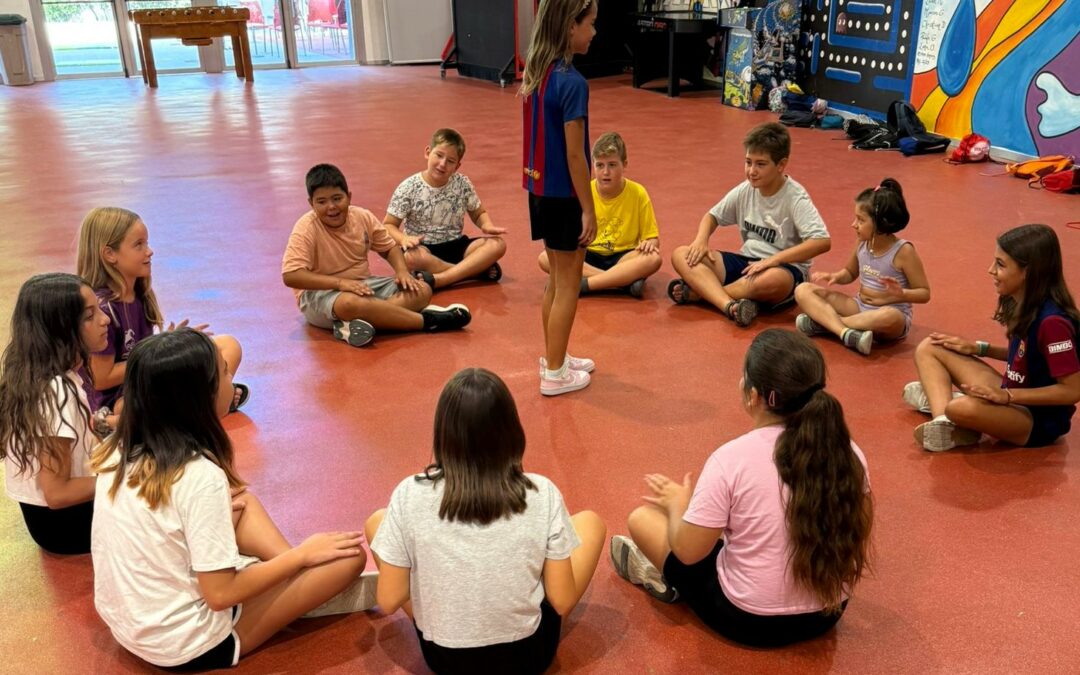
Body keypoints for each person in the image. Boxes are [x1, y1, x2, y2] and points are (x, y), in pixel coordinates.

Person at [91, 329, 373, 669]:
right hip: (187, 645)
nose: (232, 382)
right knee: (350, 558)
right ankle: (302, 580)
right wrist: (300, 555)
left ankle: (300, 579)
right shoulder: (199, 476)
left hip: (128, 624)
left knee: (242, 502)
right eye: (225, 373)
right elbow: (220, 594)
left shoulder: (117, 449)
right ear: (201, 397)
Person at [611, 329, 873, 647]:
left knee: (642, 519)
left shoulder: (731, 459)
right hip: (828, 613)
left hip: (749, 621)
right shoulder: (849, 453)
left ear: (753, 396)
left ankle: (668, 582)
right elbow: (858, 529)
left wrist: (678, 503)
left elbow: (689, 553)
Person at [366, 368, 605, 674]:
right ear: (511, 429)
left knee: (378, 523)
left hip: (444, 660)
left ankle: (446, 624)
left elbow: (389, 599)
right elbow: (562, 600)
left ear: (442, 433)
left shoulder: (408, 493)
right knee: (590, 523)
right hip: (528, 657)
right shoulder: (542, 492)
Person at [907, 224, 1080, 451]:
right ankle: (944, 422)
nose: (991, 270)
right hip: (1012, 393)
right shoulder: (1020, 301)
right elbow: (1028, 356)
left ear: (1027, 272)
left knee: (960, 408)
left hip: (1036, 420)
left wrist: (1007, 396)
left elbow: (1072, 390)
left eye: (1000, 264)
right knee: (931, 346)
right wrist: (979, 348)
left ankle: (947, 402)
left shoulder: (1053, 323)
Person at [76, 206, 248, 431]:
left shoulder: (139, 294)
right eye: (139, 245)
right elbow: (101, 378)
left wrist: (169, 343)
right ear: (110, 254)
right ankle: (208, 401)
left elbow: (143, 351)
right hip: (116, 399)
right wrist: (154, 355)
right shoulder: (103, 309)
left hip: (143, 379)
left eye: (146, 243)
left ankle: (204, 400)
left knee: (228, 345)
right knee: (130, 406)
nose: (149, 251)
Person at [282, 163, 472, 347]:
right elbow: (291, 275)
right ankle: (427, 321)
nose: (331, 206)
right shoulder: (306, 228)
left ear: (349, 197)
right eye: (321, 202)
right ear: (311, 203)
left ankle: (356, 324)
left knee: (421, 289)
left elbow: (389, 248)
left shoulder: (362, 216)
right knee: (350, 303)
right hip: (320, 294)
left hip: (363, 284)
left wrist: (402, 272)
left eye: (337, 198)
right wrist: (340, 283)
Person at [668, 122, 831, 327]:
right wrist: (701, 240)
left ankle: (701, 294)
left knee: (771, 280)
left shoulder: (795, 197)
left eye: (760, 164)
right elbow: (712, 216)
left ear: (781, 165)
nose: (751, 171)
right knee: (682, 254)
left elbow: (822, 241)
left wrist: (774, 260)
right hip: (748, 263)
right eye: (748, 162)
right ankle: (728, 304)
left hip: (783, 269)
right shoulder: (746, 189)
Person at [522, 0, 599, 395]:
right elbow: (575, 155)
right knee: (568, 283)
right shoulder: (573, 82)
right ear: (571, 26)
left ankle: (556, 356)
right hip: (564, 196)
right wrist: (589, 208)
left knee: (555, 278)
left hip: (538, 191)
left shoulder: (537, 73)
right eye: (590, 24)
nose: (594, 32)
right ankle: (555, 374)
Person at [1, 273, 109, 554]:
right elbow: (58, 494)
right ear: (60, 329)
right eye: (90, 316)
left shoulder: (34, 373)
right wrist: (123, 479)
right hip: (66, 526)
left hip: (51, 521)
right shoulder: (56, 391)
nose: (105, 319)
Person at [793, 178, 930, 355]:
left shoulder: (904, 251)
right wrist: (835, 276)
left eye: (860, 220)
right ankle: (847, 332)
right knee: (803, 290)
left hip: (890, 314)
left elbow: (924, 293)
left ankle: (826, 324)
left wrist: (901, 294)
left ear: (880, 222)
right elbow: (850, 272)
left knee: (889, 317)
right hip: (859, 307)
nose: (853, 224)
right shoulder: (862, 242)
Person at [538, 131, 661, 299]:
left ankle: (586, 285)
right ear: (593, 165)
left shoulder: (639, 193)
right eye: (600, 165)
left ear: (624, 164)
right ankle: (621, 281)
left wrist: (649, 243)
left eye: (612, 165)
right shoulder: (584, 192)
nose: (605, 172)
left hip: (624, 256)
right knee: (545, 258)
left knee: (653, 258)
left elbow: (653, 239)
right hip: (588, 255)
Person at [383, 128, 507, 290]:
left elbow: (478, 213)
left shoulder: (462, 184)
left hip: (457, 245)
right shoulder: (408, 187)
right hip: (424, 248)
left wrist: (486, 224)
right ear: (428, 152)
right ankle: (473, 272)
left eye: (450, 161)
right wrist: (403, 239)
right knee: (410, 258)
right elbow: (388, 225)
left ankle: (441, 279)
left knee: (498, 244)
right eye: (439, 155)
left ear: (457, 166)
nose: (442, 164)